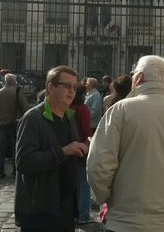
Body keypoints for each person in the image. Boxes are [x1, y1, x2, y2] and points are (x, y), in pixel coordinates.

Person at [87, 55, 164, 232]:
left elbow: (98, 165)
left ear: (139, 77)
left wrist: (107, 197)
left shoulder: (120, 110)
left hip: (125, 220)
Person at [15, 65, 88, 232]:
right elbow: (24, 162)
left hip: (66, 207)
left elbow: (70, 156)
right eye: (66, 86)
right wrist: (63, 151)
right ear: (51, 88)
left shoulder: (69, 117)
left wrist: (84, 149)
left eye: (75, 87)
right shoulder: (33, 118)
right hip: (40, 209)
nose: (72, 91)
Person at [0, 73, 30, 178]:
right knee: (16, 147)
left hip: (2, 123)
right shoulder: (17, 91)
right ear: (13, 81)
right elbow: (25, 107)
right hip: (14, 123)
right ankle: (15, 170)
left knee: (2, 148)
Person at [70, 85, 94, 225]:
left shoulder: (68, 107)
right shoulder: (82, 108)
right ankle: (84, 215)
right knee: (84, 184)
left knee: (74, 183)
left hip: (69, 146)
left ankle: (73, 213)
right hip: (82, 147)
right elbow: (86, 130)